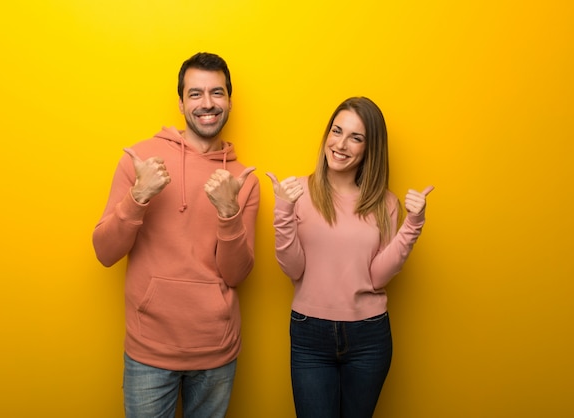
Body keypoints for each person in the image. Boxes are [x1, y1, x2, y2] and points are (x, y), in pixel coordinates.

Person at [92, 52, 260, 418]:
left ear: (229, 100)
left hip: (216, 352)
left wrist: (229, 211)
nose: (207, 103)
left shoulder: (242, 180)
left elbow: (236, 275)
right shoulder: (141, 160)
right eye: (196, 94)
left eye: (217, 93)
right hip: (149, 351)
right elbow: (104, 252)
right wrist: (138, 197)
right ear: (181, 103)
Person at [267, 96, 433, 418]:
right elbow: (294, 269)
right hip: (309, 333)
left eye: (355, 137)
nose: (340, 144)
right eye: (336, 131)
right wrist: (283, 210)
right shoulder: (298, 193)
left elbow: (377, 278)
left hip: (369, 335)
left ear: (370, 148)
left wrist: (412, 225)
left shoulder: (385, 202)